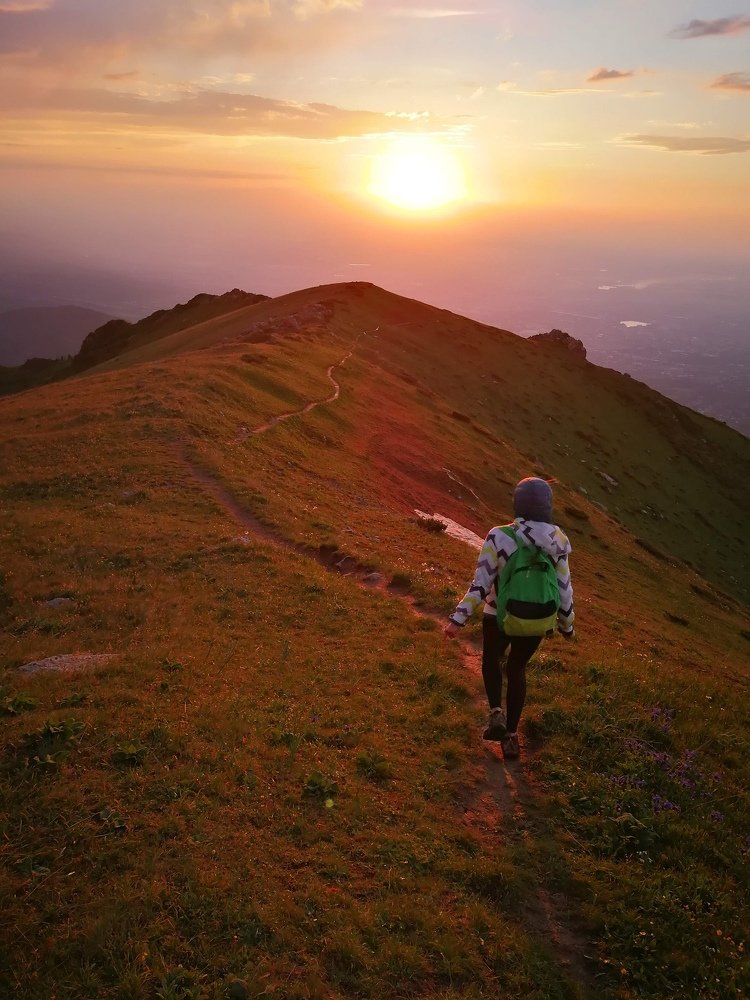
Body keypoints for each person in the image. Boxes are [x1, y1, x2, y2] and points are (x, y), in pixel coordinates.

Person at [443, 477, 575, 759]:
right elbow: (564, 589)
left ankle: (496, 714)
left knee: (491, 659)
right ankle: (512, 737)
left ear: (518, 502)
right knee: (517, 669)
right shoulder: (558, 541)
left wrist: (458, 619)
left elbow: (480, 584)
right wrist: (567, 625)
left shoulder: (500, 535)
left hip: (498, 615)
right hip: (538, 618)